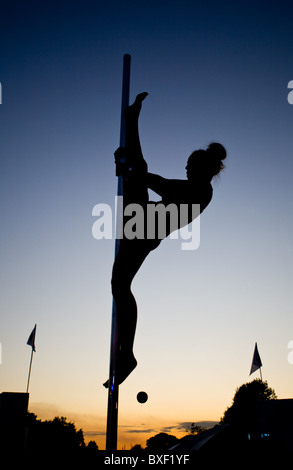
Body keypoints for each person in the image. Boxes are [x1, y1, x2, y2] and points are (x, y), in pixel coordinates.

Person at [104, 93, 226, 387]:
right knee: (119, 284)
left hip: (145, 229)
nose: (184, 168)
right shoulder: (196, 187)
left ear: (198, 168)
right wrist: (131, 169)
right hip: (144, 222)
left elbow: (162, 185)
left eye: (187, 165)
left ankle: (129, 353)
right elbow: (155, 181)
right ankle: (133, 118)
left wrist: (131, 171)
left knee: (120, 285)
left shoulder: (200, 192)